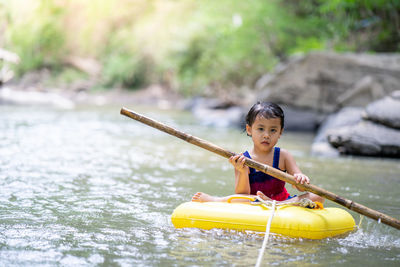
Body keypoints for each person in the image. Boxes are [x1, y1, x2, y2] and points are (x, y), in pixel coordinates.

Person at [192, 101, 324, 204]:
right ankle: (216, 200)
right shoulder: (243, 159)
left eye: (273, 130)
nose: (266, 135)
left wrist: (300, 179)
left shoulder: (284, 156)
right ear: (249, 130)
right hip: (254, 202)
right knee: (241, 200)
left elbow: (301, 188)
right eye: (260, 129)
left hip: (282, 202)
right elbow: (242, 193)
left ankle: (276, 204)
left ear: (280, 132)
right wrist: (242, 171)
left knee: (318, 195)